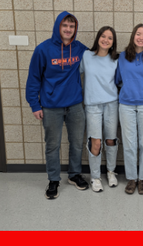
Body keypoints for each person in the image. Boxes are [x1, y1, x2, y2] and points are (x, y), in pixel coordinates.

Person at [25, 11, 89, 199]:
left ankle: (74, 174)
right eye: (65, 26)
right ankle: (53, 180)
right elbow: (33, 79)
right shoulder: (43, 50)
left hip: (75, 105)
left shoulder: (80, 49)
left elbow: (99, 56)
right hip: (51, 106)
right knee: (52, 145)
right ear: (58, 27)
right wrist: (34, 105)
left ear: (75, 29)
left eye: (72, 26)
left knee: (76, 143)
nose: (68, 29)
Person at [115, 24, 143, 196]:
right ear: (133, 36)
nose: (141, 37)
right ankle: (132, 178)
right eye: (138, 34)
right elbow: (118, 79)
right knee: (130, 143)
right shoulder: (123, 57)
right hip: (126, 104)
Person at [80, 26, 120, 193]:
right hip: (92, 105)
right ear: (98, 38)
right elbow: (74, 74)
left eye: (110, 38)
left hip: (112, 103)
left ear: (113, 43)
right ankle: (95, 177)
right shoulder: (86, 56)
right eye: (103, 36)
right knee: (95, 142)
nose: (106, 40)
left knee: (110, 140)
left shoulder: (116, 59)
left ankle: (111, 172)